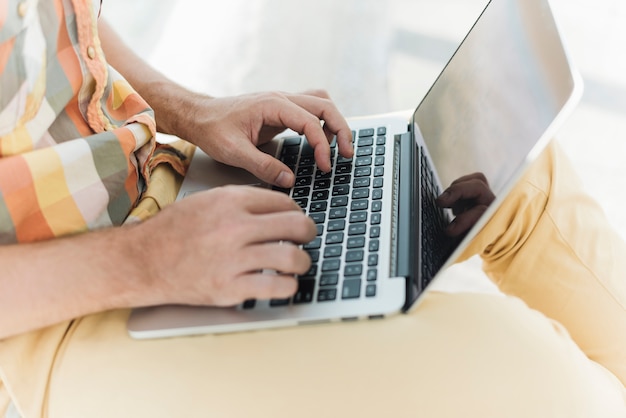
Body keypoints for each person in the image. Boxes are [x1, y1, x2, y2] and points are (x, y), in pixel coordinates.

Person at [0, 1, 624, 417]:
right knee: (531, 370)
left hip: (156, 171)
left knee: (514, 176)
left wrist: (189, 109)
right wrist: (148, 260)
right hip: (57, 311)